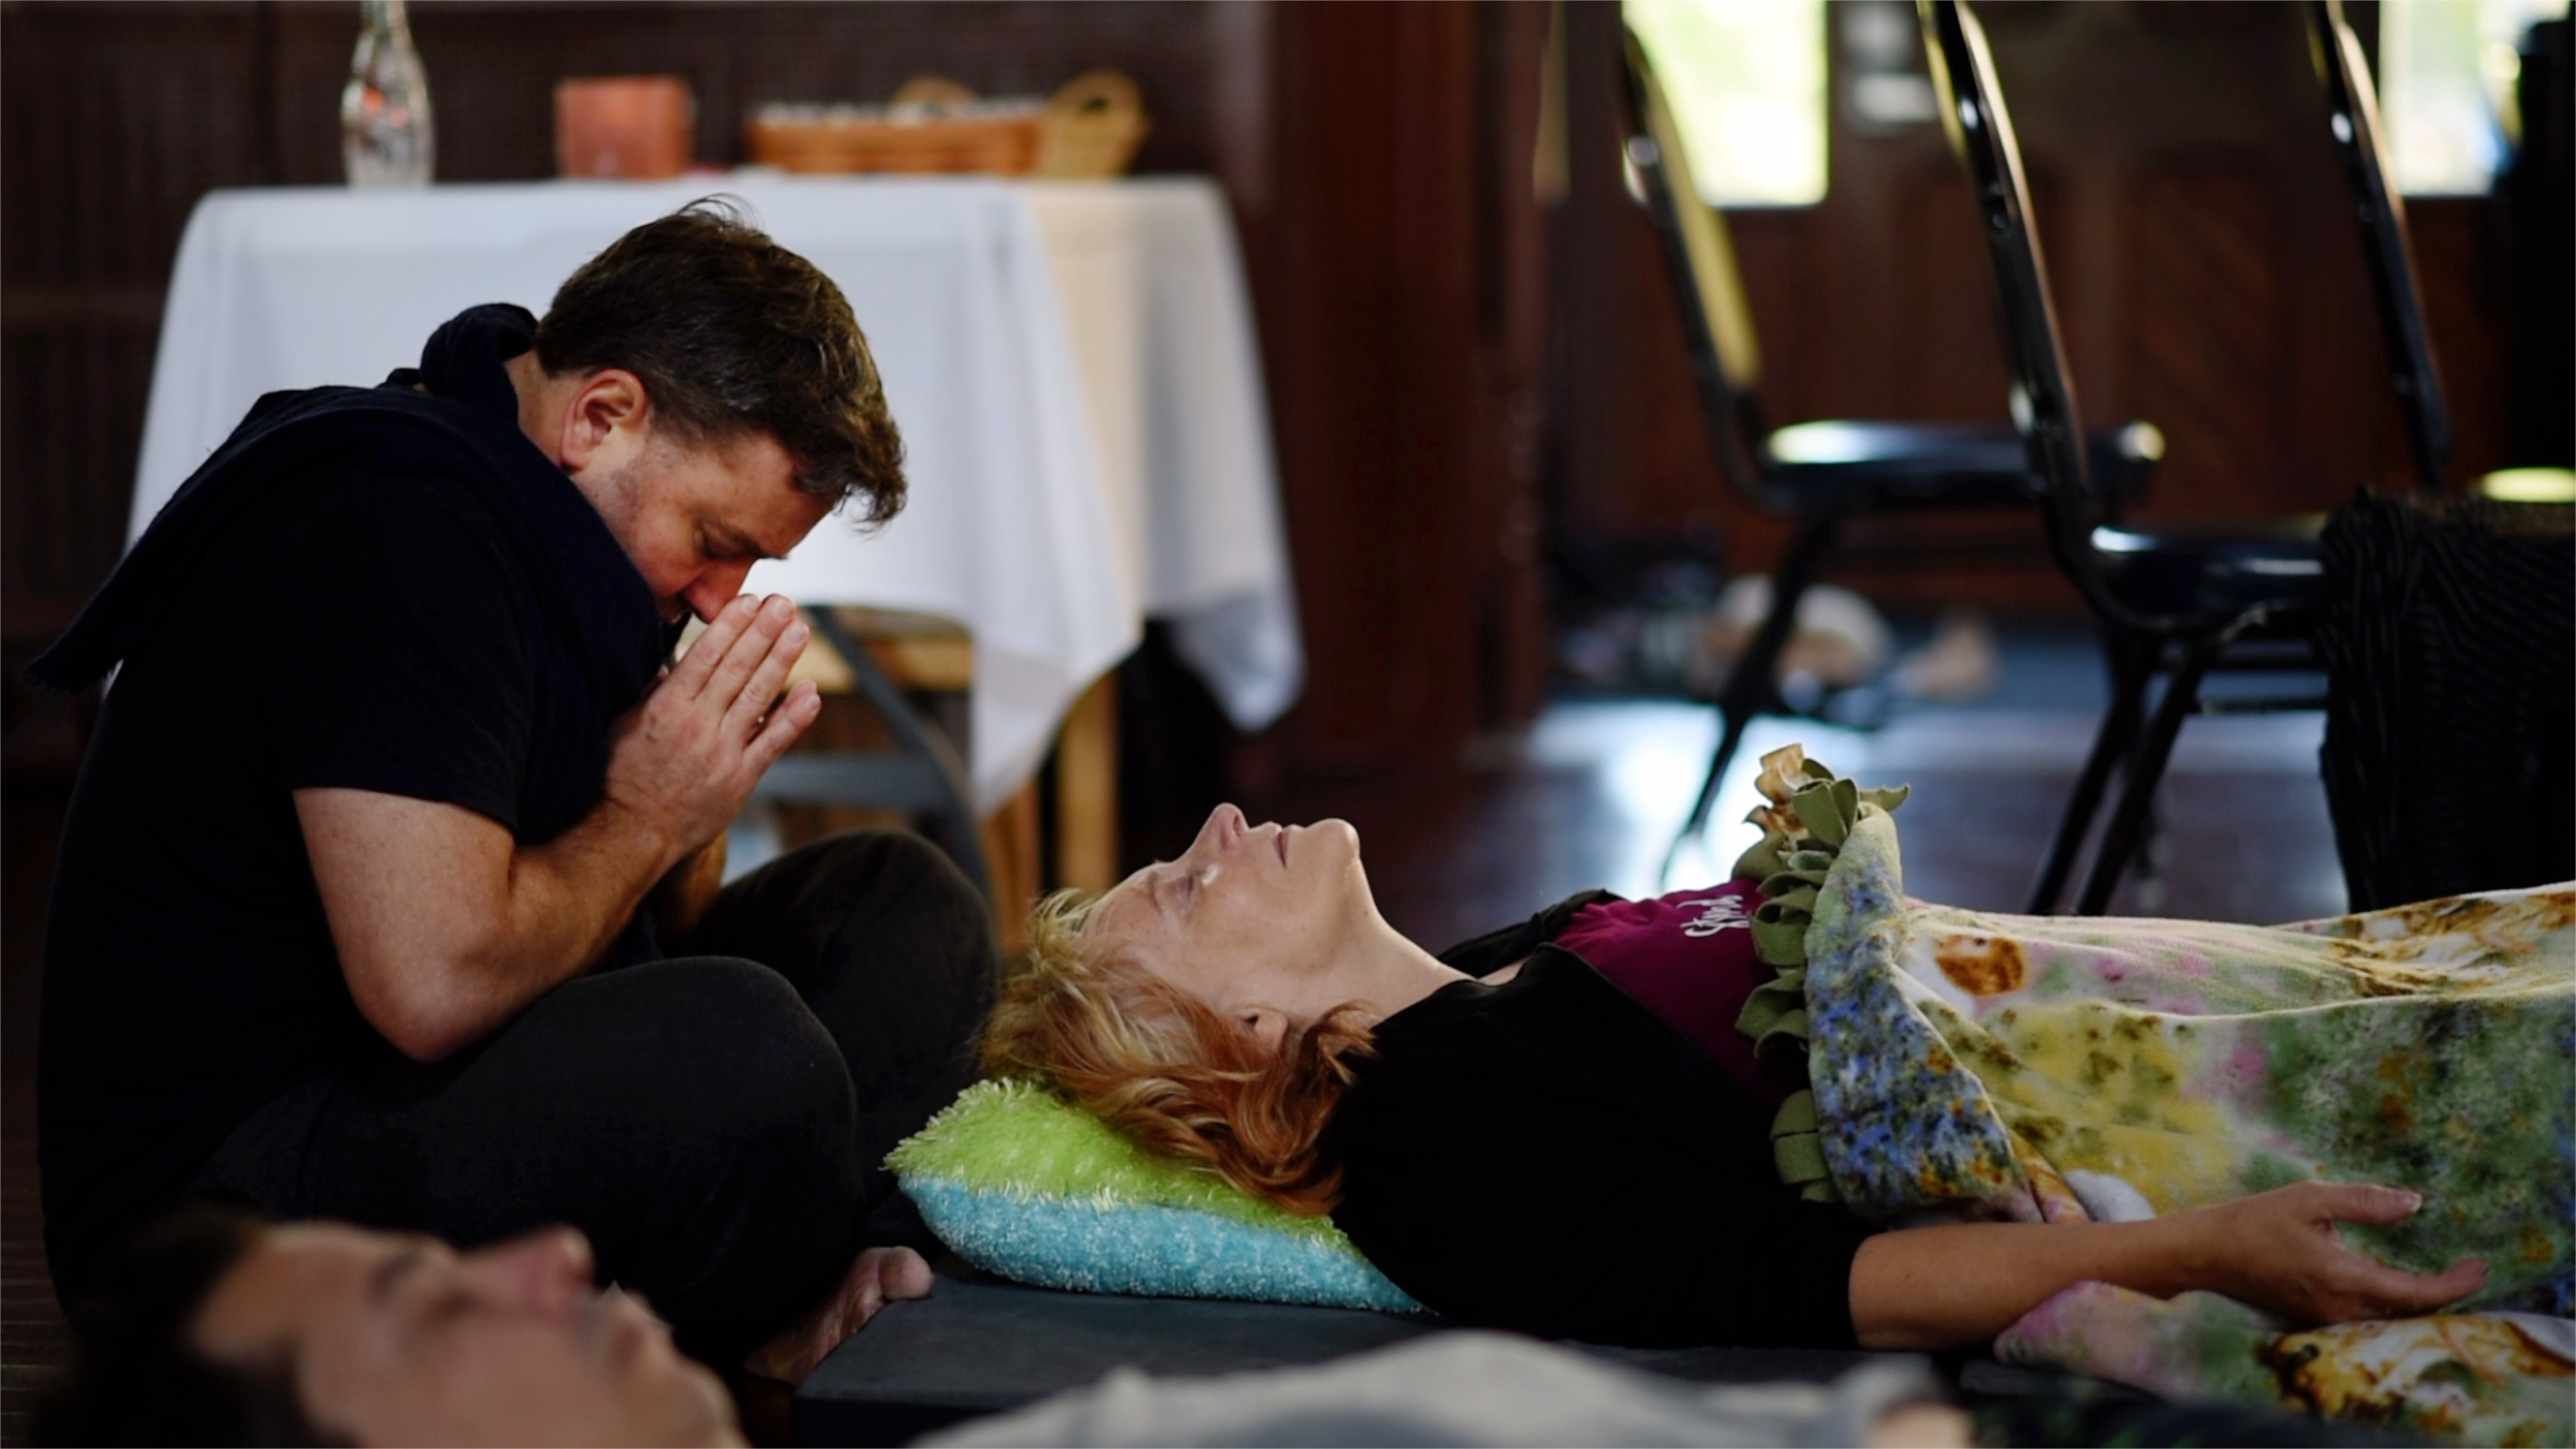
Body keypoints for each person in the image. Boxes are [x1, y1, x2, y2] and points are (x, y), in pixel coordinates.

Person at [33, 199, 993, 1382]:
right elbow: (433, 987)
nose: (722, 596)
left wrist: (693, 789)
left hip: (416, 1080)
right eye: (715, 540)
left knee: (898, 903)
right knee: (744, 1049)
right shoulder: (394, 532)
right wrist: (649, 810)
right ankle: (757, 1348)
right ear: (602, 416)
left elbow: (652, 926)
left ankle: (846, 1304)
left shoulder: (572, 533)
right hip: (218, 1220)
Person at [980, 798, 2532, 1354]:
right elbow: (1822, 1287)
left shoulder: (1498, 974)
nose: (1219, 827)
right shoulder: (1439, 1150)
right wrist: (2199, 1254)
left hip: (2229, 989)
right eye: (1184, 889)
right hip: (2240, 1115)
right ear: (1247, 1034)